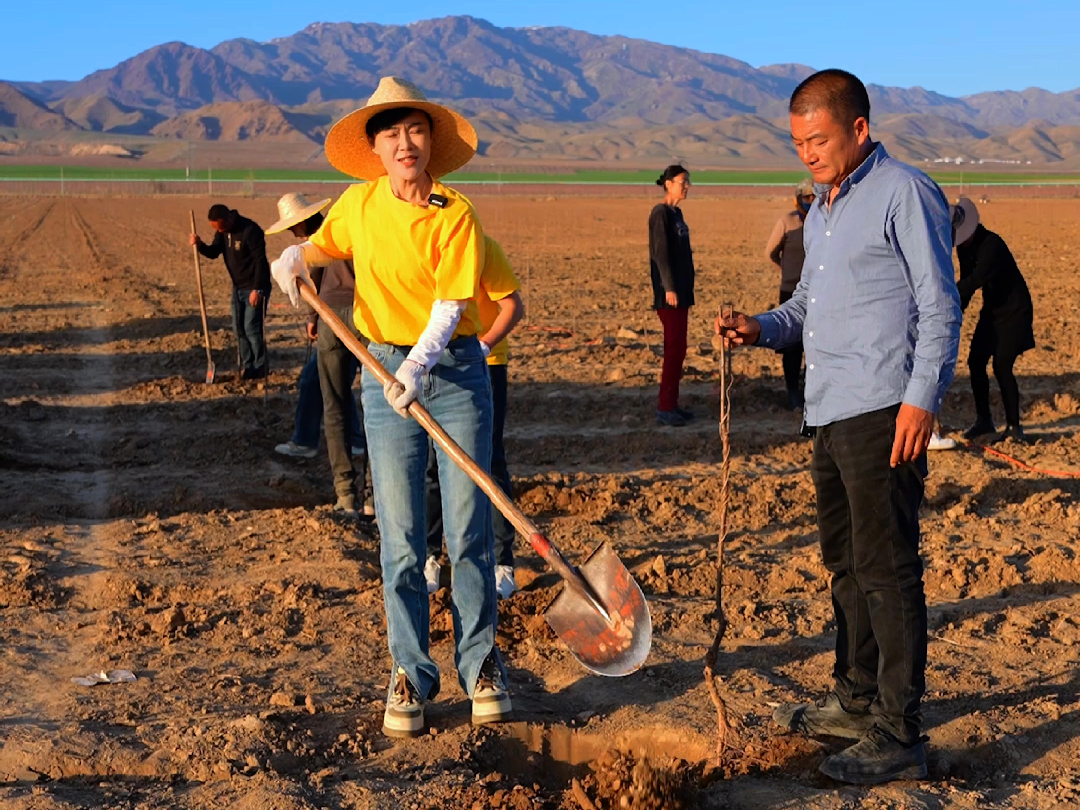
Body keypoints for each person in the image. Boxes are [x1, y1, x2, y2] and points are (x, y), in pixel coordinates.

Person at [717, 69, 961, 785]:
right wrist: (758, 327)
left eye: (818, 139)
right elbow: (803, 312)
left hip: (883, 409)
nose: (808, 154)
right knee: (846, 567)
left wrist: (921, 400)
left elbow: (940, 304)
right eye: (798, 143)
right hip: (826, 410)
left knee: (888, 571)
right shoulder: (821, 211)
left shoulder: (904, 192)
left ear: (859, 129)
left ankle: (898, 731)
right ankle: (855, 701)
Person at [270, 76, 510, 739]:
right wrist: (293, 260)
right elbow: (319, 250)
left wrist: (417, 367)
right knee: (400, 537)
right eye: (391, 134)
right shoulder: (357, 204)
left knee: (467, 531)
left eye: (415, 131)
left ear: (431, 141)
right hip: (380, 370)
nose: (405, 144)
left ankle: (482, 664)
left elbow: (452, 305)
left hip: (454, 372)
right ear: (374, 149)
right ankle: (410, 671)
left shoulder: (453, 210)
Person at [425, 236, 525, 599]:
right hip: (432, 363)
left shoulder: (482, 247)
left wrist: (483, 347)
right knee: (432, 463)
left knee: (490, 461)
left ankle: (502, 561)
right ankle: (430, 556)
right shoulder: (421, 247)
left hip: (485, 366)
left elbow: (512, 307)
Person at [265, 193, 370, 515]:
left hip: (334, 319)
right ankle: (374, 497)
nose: (292, 234)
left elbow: (312, 283)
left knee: (334, 406)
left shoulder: (316, 244)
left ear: (302, 223)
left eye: (293, 227)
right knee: (377, 407)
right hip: (368, 316)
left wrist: (314, 318)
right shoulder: (347, 231)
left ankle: (346, 495)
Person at [951, 196, 1035, 443]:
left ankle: (1014, 427)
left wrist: (946, 294)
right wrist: (957, 311)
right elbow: (968, 285)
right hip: (992, 310)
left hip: (1014, 311)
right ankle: (984, 421)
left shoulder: (991, 245)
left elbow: (975, 280)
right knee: (976, 361)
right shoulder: (964, 249)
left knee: (1001, 365)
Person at [189, 205, 271, 380]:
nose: (219, 231)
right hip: (238, 288)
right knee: (238, 328)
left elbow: (260, 262)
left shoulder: (251, 230)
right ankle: (248, 365)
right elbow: (213, 252)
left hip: (255, 287)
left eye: (221, 227)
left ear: (229, 218)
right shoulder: (222, 232)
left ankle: (261, 365)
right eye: (217, 229)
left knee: (252, 328)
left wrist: (257, 289)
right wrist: (200, 245)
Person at [649, 164, 696, 427]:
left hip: (682, 293)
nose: (686, 186)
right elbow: (661, 253)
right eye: (682, 181)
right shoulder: (661, 214)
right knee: (673, 349)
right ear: (668, 183)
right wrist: (668, 288)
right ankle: (665, 408)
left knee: (679, 350)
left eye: (688, 181)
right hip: (670, 296)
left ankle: (673, 405)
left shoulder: (677, 214)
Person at [765, 178, 814, 410]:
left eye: (815, 197)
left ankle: (811, 390)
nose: (811, 201)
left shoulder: (825, 220)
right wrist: (786, 271)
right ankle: (792, 391)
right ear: (798, 199)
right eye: (807, 197)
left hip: (820, 292)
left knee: (816, 344)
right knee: (793, 345)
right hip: (791, 291)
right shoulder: (788, 221)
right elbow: (771, 253)